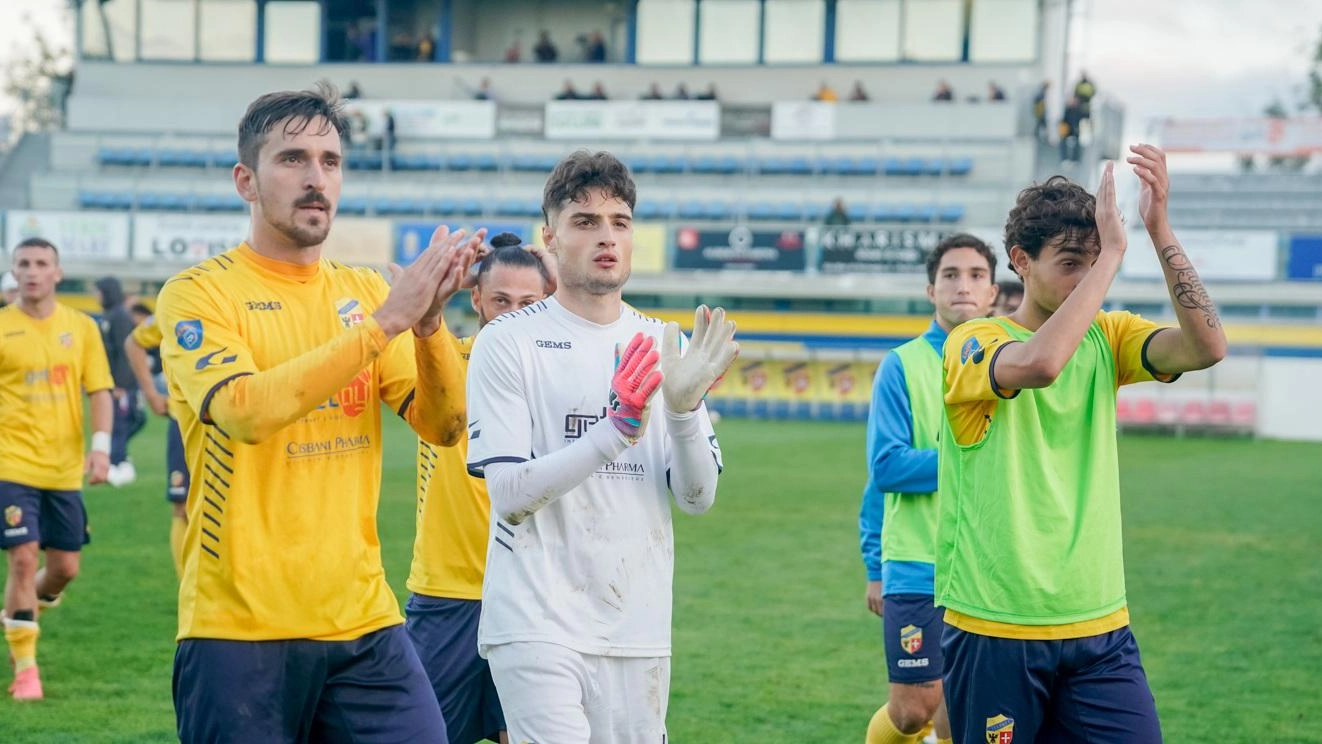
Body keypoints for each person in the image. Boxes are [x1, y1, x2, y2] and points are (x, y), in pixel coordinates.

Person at [154, 82, 483, 743]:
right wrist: (387, 321)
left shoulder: (363, 290)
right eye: (293, 159)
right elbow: (245, 411)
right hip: (239, 629)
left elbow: (443, 427)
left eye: (330, 162)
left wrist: (425, 327)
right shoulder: (199, 295)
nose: (316, 179)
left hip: (364, 623)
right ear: (246, 179)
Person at [937, 149, 1227, 743]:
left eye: (1093, 262)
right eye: (1072, 263)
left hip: (1100, 625)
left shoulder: (1108, 335)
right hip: (997, 625)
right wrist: (1114, 253)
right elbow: (1041, 363)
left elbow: (1207, 347)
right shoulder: (974, 340)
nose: (1088, 279)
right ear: (1020, 261)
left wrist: (1159, 228)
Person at [465, 150, 738, 741]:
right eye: (585, 222)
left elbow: (697, 498)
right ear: (551, 238)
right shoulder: (509, 342)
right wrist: (615, 430)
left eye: (619, 221)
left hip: (637, 625)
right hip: (536, 619)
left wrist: (684, 412)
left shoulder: (661, 343)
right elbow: (509, 493)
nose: (606, 236)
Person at [406, 233, 556, 744]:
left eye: (528, 303)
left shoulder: (562, 374)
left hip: (532, 593)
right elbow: (420, 333)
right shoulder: (445, 362)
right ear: (476, 298)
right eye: (500, 300)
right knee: (424, 734)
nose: (513, 314)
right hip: (448, 594)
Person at [860, 234, 998, 744]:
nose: (963, 285)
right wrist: (875, 565)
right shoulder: (902, 365)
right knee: (914, 711)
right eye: (951, 275)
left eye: (976, 275)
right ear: (930, 289)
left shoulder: (1009, 364)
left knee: (962, 707)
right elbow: (887, 469)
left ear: (994, 292)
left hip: (987, 564)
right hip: (918, 563)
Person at [1, 237, 114, 701]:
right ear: (14, 272)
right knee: (24, 558)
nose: (31, 271)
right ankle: (26, 671)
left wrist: (102, 448)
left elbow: (100, 390)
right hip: (11, 462)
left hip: (64, 468)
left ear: (57, 273)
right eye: (23, 264)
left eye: (40, 263)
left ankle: (21, 613)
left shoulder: (81, 327)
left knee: (64, 568)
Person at [123, 309, 191, 577]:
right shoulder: (184, 298)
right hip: (185, 420)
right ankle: (189, 587)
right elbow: (135, 342)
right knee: (182, 504)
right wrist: (151, 393)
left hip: (235, 422)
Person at [93, 277, 144, 487]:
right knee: (118, 423)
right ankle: (119, 461)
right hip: (110, 381)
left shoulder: (120, 317)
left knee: (122, 423)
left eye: (98, 292)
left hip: (120, 385)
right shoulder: (110, 315)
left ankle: (119, 463)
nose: (96, 296)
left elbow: (125, 352)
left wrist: (121, 384)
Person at [1060, 96, 1085, 162]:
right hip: (1067, 131)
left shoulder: (1079, 111)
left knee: (1077, 143)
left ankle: (1075, 159)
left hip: (1076, 131)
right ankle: (1064, 159)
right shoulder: (1068, 110)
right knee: (1063, 143)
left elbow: (1082, 120)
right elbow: (1064, 121)